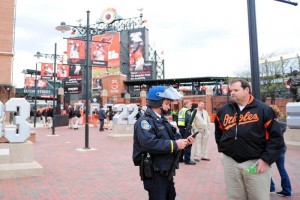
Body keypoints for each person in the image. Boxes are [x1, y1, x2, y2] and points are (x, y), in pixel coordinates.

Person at [214, 78, 285, 200]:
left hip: (255, 162)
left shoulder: (263, 109)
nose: (232, 93)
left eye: (236, 90)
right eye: (231, 90)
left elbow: (276, 138)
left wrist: (266, 159)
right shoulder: (224, 110)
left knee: (258, 197)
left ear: (247, 90)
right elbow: (219, 132)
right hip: (231, 162)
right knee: (235, 197)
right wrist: (224, 151)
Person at [132, 85, 195, 200]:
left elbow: (174, 136)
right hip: (155, 172)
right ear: (157, 103)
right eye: (166, 103)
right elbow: (149, 143)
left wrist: (186, 141)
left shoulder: (162, 120)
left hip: (166, 170)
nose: (168, 106)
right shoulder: (145, 121)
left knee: (170, 196)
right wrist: (175, 145)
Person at [269, 104, 292, 197]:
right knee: (281, 169)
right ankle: (286, 190)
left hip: (273, 149)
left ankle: (272, 187)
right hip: (281, 148)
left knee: (265, 168)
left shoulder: (274, 121)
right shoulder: (280, 121)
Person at [177, 100, 196, 165]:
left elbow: (177, 119)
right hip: (186, 129)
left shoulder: (181, 110)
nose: (191, 105)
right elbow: (189, 120)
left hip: (181, 128)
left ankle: (180, 158)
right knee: (188, 143)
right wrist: (189, 128)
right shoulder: (187, 111)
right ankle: (187, 160)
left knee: (183, 142)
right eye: (190, 104)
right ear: (186, 104)